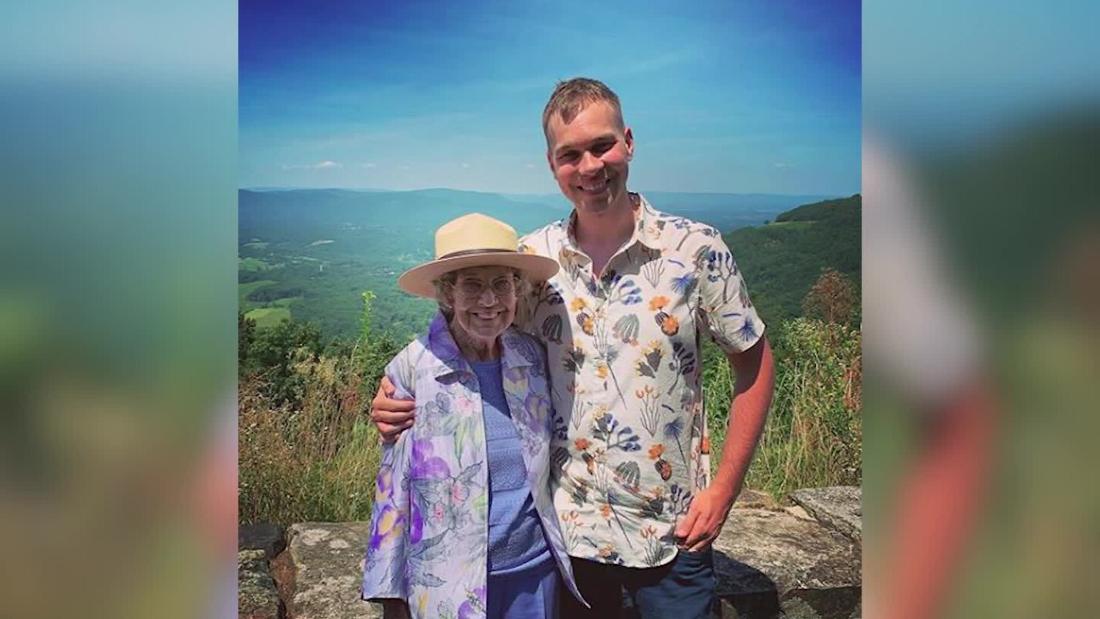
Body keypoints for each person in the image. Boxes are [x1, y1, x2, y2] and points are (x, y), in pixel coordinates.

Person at [372, 78, 775, 618]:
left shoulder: (695, 250)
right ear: (552, 164)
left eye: (601, 145)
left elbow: (754, 359)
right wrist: (399, 388)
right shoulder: (533, 260)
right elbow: (468, 319)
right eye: (570, 155)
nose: (589, 167)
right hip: (568, 538)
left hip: (674, 531)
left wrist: (723, 490)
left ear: (628, 141)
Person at [360, 213, 586, 619]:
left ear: (517, 291)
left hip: (534, 575)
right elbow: (392, 494)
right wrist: (392, 596)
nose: (489, 300)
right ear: (446, 294)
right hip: (448, 587)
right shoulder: (413, 370)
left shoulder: (531, 358)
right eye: (472, 285)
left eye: (502, 284)